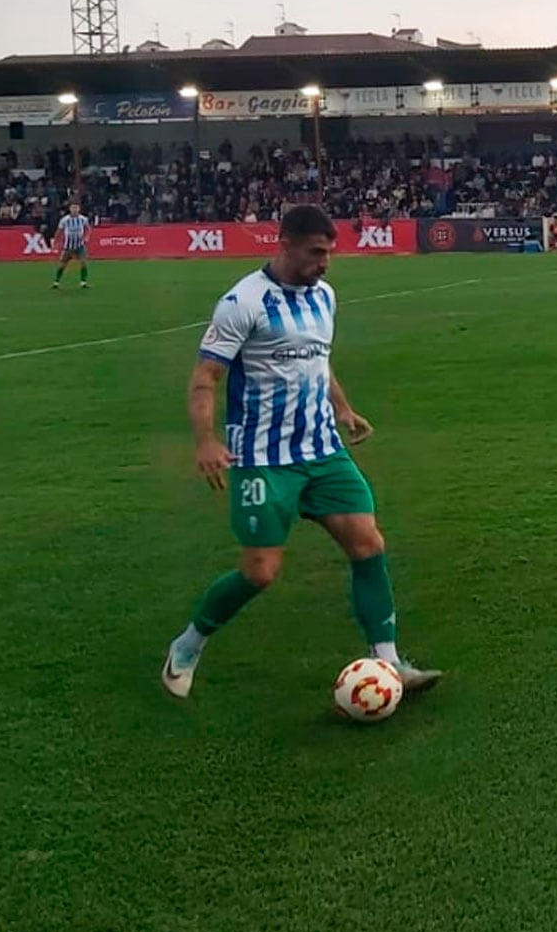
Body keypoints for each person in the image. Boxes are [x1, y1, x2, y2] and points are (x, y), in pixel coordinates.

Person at [161, 204, 441, 699]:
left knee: (368, 545)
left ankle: (390, 663)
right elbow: (206, 376)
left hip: (323, 451)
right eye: (316, 252)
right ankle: (188, 643)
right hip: (263, 460)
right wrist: (206, 440)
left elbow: (318, 359)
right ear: (285, 244)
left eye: (330, 253)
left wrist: (344, 409)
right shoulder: (242, 302)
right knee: (260, 572)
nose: (326, 263)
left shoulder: (325, 296)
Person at [53, 200, 92, 289]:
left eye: (76, 208)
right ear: (70, 209)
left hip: (80, 246)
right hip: (68, 247)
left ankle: (83, 282)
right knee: (63, 265)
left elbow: (88, 229)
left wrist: (86, 237)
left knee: (83, 263)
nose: (74, 210)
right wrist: (56, 242)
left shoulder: (83, 219)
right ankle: (56, 282)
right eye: (73, 208)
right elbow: (59, 231)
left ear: (79, 209)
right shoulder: (64, 220)